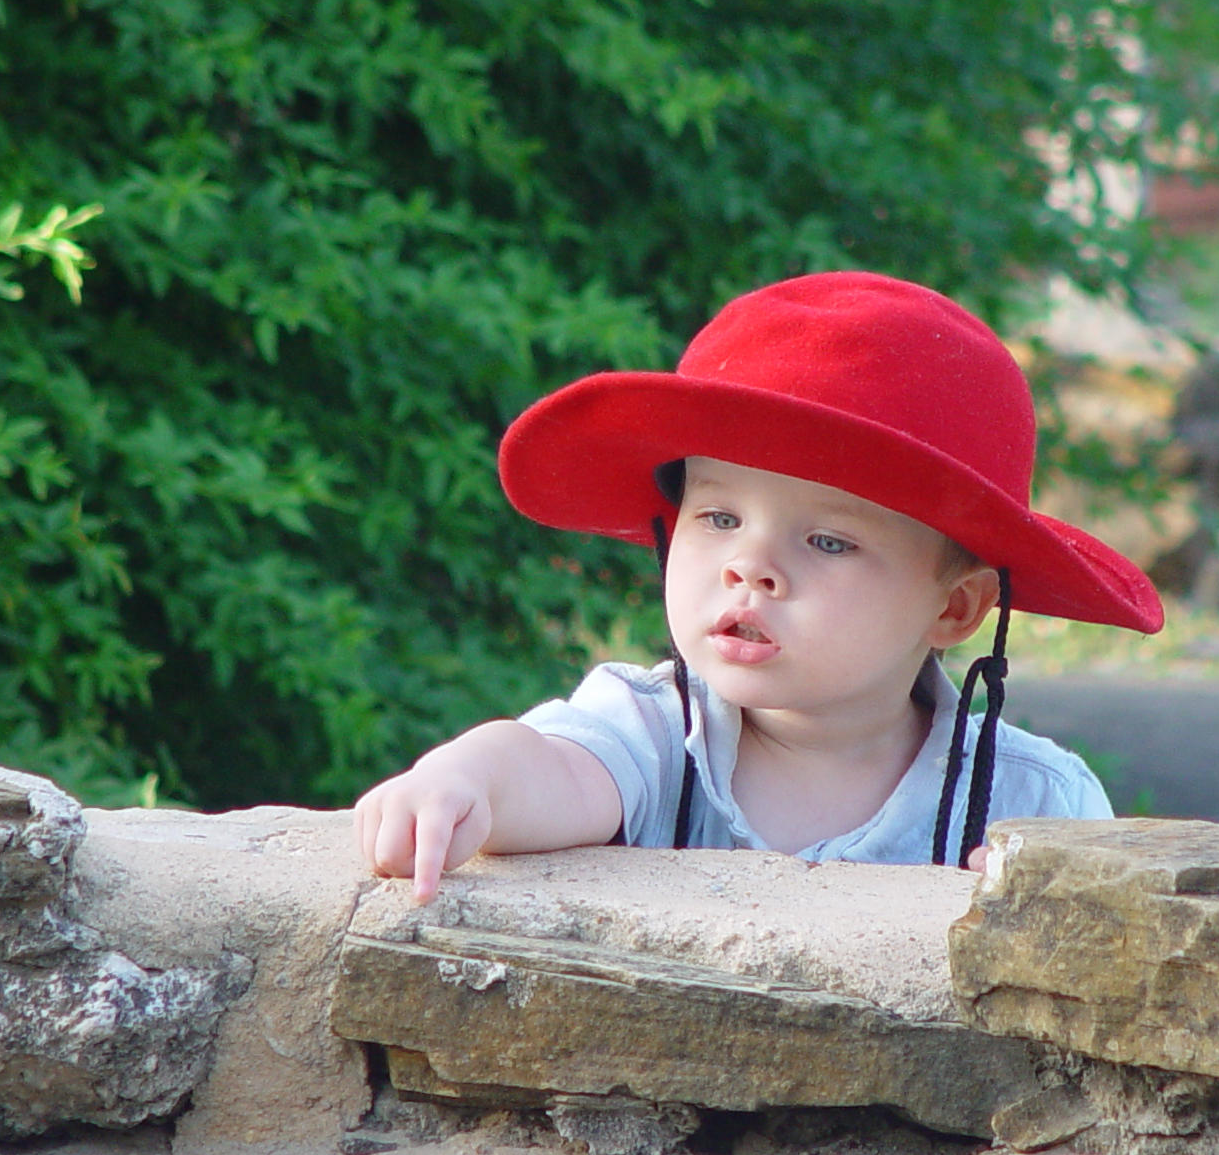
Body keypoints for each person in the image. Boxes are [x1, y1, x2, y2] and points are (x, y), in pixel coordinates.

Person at [355, 271, 1164, 900]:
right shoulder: (655, 733)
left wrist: (1056, 903)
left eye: (827, 539)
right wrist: (465, 780)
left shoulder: (1027, 800)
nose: (749, 567)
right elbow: (549, 765)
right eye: (718, 519)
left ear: (953, 608)